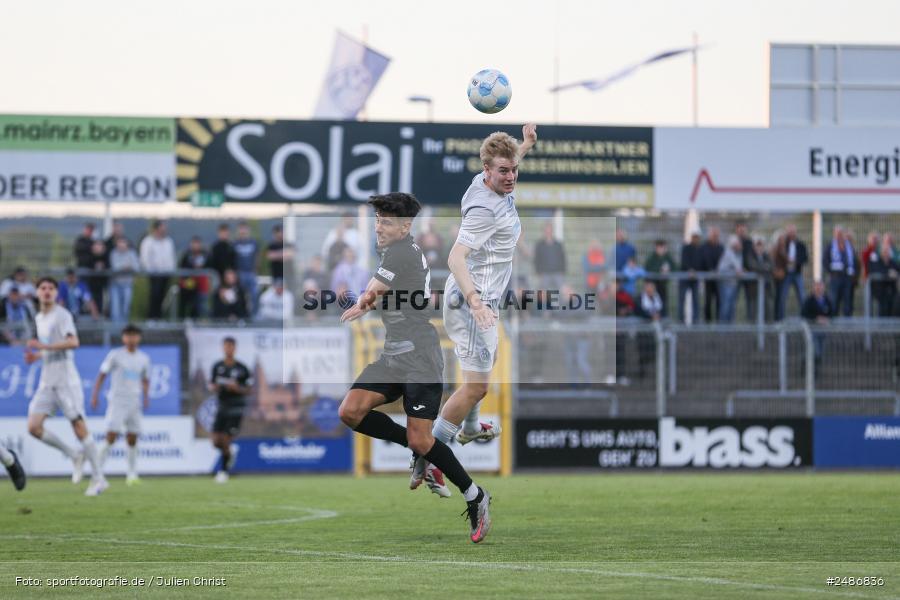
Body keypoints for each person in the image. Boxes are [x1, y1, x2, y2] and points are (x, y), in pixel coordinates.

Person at [338, 192, 493, 543]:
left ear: (405, 227)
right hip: (394, 356)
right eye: (377, 220)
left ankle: (475, 496)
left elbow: (374, 291)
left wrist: (362, 302)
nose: (378, 227)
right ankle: (418, 451)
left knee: (422, 438)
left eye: (386, 222)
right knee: (350, 411)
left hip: (420, 357)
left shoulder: (401, 252)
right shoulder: (396, 250)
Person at [413, 125, 536, 499]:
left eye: (514, 169)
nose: (511, 176)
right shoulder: (485, 210)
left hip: (482, 301)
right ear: (487, 170)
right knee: (477, 386)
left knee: (482, 370)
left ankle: (467, 429)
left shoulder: (488, 181)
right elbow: (455, 258)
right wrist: (477, 303)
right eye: (503, 171)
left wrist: (525, 145)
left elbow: (507, 161)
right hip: (471, 303)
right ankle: (428, 458)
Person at [24, 277, 107, 496]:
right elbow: (50, 348)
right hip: (47, 381)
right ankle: (73, 455)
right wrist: (37, 356)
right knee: (33, 427)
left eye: (51, 288)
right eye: (43, 288)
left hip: (66, 380)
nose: (47, 291)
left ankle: (99, 478)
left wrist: (43, 347)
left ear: (56, 293)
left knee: (78, 426)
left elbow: (73, 342)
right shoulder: (39, 318)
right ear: (37, 293)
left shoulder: (62, 315)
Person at [90, 324, 150, 486]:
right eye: (128, 335)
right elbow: (102, 375)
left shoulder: (144, 358)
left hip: (134, 401)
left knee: (133, 437)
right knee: (111, 436)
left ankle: (132, 474)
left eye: (134, 335)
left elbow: (145, 379)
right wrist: (95, 395)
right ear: (123, 338)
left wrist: (146, 397)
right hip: (117, 401)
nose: (131, 339)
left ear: (139, 338)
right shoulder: (115, 355)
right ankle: (97, 472)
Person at [207, 337, 253, 483]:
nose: (228, 349)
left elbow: (249, 390)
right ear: (223, 348)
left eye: (231, 346)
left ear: (235, 348)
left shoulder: (242, 368)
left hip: (236, 407)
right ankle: (229, 453)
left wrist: (237, 388)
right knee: (216, 441)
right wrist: (214, 387)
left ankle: (223, 471)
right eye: (226, 346)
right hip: (222, 406)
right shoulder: (217, 366)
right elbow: (211, 384)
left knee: (226, 439)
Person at [139, 220, 176, 320]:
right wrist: (150, 270)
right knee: (154, 295)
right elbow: (145, 258)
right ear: (156, 229)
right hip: (154, 274)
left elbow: (171, 257)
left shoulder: (168, 241)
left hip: (166, 273)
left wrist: (171, 269)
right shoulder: (148, 241)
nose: (164, 230)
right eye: (162, 228)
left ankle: (159, 317)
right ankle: (151, 317)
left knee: (162, 296)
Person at [773, 224, 808, 320]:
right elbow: (777, 257)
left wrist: (795, 261)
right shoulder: (783, 244)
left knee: (802, 296)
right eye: (790, 232)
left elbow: (805, 258)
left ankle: (805, 318)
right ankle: (780, 319)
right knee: (782, 297)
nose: (792, 233)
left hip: (797, 273)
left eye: (793, 231)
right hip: (786, 274)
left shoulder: (800, 244)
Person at [823, 225, 857, 317]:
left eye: (841, 233)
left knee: (847, 302)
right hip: (835, 278)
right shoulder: (830, 246)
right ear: (834, 234)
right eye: (837, 233)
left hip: (847, 278)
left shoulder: (849, 246)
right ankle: (834, 322)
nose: (839, 235)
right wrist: (831, 271)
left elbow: (854, 261)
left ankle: (847, 323)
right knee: (834, 301)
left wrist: (853, 274)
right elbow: (825, 261)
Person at [802, 280, 834, 375]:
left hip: (823, 331)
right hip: (812, 330)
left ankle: (814, 371)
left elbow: (832, 312)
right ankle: (809, 371)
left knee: (820, 352)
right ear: (813, 288)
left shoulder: (827, 300)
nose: (818, 289)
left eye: (820, 287)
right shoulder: (809, 301)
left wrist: (827, 319)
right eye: (816, 287)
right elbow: (804, 314)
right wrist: (816, 319)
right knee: (815, 351)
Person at [108, 237, 140, 322]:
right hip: (115, 284)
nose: (122, 245)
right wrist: (126, 266)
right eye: (120, 242)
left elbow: (136, 267)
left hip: (128, 284)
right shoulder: (113, 253)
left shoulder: (132, 253)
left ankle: (124, 327)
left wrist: (125, 267)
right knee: (115, 309)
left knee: (126, 307)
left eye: (123, 242)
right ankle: (115, 329)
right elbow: (115, 267)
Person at [179, 236, 211, 319]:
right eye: (194, 243)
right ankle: (181, 320)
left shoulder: (205, 254)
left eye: (197, 243)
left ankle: (195, 321)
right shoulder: (186, 255)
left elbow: (209, 266)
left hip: (201, 286)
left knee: (199, 306)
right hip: (188, 284)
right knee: (184, 304)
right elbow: (182, 269)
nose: (196, 246)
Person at [233, 221, 260, 316]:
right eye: (241, 229)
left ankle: (254, 316)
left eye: (244, 229)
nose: (243, 231)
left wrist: (256, 270)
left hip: (251, 273)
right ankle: (241, 315)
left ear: (248, 230)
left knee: (254, 294)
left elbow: (257, 257)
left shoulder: (253, 242)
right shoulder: (235, 243)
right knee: (240, 296)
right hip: (239, 273)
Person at [644, 239, 676, 318]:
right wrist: (660, 270)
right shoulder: (652, 258)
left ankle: (664, 319)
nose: (661, 249)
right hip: (653, 287)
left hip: (663, 285)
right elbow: (648, 268)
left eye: (662, 247)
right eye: (659, 247)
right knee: (653, 305)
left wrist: (668, 270)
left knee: (663, 304)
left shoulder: (667, 257)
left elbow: (675, 267)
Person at [717, 234, 745, 323]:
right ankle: (723, 328)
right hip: (726, 283)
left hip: (733, 283)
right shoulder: (729, 252)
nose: (739, 246)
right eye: (737, 244)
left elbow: (740, 268)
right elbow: (738, 268)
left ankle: (730, 327)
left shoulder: (738, 254)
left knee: (732, 306)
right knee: (726, 306)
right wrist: (740, 270)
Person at [534, 221, 566, 293]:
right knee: (542, 293)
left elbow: (563, 258)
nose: (548, 232)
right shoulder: (539, 245)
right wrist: (538, 273)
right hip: (544, 274)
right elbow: (536, 260)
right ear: (544, 231)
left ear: (552, 231)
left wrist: (562, 272)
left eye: (549, 230)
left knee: (563, 291)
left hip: (558, 273)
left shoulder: (558, 244)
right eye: (546, 230)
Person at [699, 226, 724, 322]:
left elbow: (723, 261)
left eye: (716, 235)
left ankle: (719, 322)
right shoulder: (704, 247)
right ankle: (707, 323)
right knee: (708, 301)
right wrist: (708, 270)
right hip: (708, 279)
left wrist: (718, 271)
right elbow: (702, 261)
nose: (715, 237)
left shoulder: (721, 247)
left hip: (718, 279)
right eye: (713, 235)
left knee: (719, 301)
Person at [678, 230, 703, 323]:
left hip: (695, 278)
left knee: (696, 299)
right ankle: (681, 320)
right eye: (694, 237)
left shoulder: (700, 249)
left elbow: (701, 262)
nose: (696, 239)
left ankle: (695, 320)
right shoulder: (686, 248)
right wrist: (690, 269)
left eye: (697, 237)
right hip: (685, 278)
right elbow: (684, 261)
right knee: (682, 299)